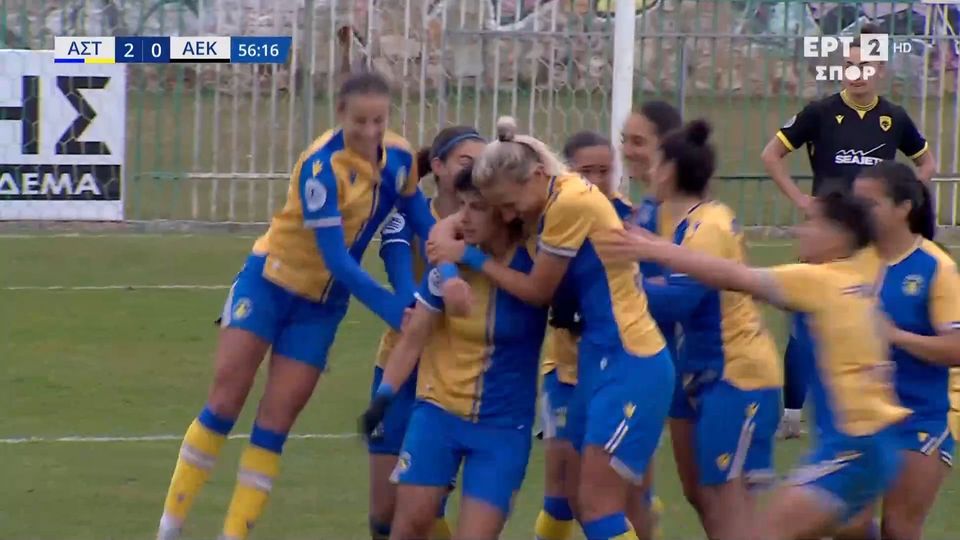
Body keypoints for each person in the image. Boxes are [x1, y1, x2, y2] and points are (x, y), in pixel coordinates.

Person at [154, 71, 466, 540]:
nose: (370, 131)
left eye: (379, 120)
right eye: (360, 121)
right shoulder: (320, 166)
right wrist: (391, 309)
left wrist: (446, 271)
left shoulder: (400, 158)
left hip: (320, 308)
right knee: (224, 402)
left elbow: (420, 217)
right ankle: (170, 528)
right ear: (341, 115)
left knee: (274, 426)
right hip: (270, 284)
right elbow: (336, 258)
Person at [595, 190, 910, 540]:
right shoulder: (860, 277)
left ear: (840, 235)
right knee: (848, 530)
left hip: (851, 449)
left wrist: (654, 250)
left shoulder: (819, 281)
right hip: (880, 444)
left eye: (811, 222)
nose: (800, 230)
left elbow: (732, 276)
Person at [428, 117, 675, 540]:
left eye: (510, 204)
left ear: (538, 175)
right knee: (577, 500)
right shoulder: (546, 202)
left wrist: (469, 258)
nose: (509, 215)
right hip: (596, 358)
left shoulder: (568, 203)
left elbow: (538, 290)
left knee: (601, 505)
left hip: (630, 360)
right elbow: (445, 228)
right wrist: (451, 251)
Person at [760, 24, 937, 439]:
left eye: (866, 65)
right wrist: (803, 201)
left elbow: (927, 163)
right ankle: (792, 414)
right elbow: (771, 155)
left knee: (874, 317)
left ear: (880, 70)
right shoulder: (820, 112)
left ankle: (875, 405)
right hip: (827, 239)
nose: (857, 73)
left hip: (873, 240)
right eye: (850, 65)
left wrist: (906, 199)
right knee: (807, 320)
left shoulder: (894, 117)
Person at [359, 167, 547, 540]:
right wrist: (382, 399)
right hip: (438, 414)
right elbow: (413, 338)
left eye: (476, 207)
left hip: (503, 428)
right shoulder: (448, 266)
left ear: (505, 210)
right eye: (461, 205)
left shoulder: (535, 265)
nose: (463, 217)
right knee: (409, 527)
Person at [638, 120, 781, 540]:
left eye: (653, 162)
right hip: (696, 370)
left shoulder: (709, 227)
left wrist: (621, 286)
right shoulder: (673, 220)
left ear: (668, 170)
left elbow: (678, 300)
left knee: (726, 504)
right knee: (701, 495)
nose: (647, 172)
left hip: (736, 374)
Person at [536, 131, 663, 540]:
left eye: (604, 170)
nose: (595, 179)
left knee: (631, 496)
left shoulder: (628, 220)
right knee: (562, 494)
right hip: (567, 370)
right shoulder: (554, 213)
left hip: (624, 367)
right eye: (585, 171)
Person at [368, 126, 486, 540]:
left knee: (422, 508)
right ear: (438, 166)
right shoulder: (408, 217)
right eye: (465, 161)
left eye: (481, 162)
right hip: (400, 363)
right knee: (384, 514)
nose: (474, 170)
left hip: (453, 375)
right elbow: (397, 265)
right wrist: (410, 303)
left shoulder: (489, 227)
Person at [852, 161, 960, 540]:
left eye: (870, 203)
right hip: (860, 416)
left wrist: (895, 336)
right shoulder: (851, 261)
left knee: (899, 528)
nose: (858, 211)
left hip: (921, 416)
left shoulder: (935, 267)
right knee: (848, 525)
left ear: (903, 208)